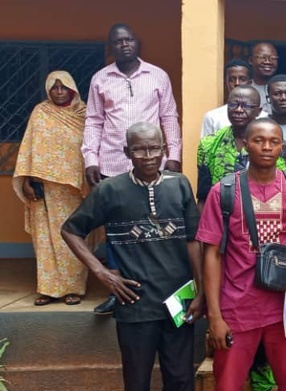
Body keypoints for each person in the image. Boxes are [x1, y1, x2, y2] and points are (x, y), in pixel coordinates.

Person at [61, 122, 203, 391]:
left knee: (181, 379)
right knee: (137, 381)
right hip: (135, 303)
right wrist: (100, 272)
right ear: (126, 152)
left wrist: (201, 290)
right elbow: (70, 230)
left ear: (164, 150)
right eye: (139, 149)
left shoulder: (180, 185)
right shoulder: (109, 190)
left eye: (154, 148)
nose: (148, 156)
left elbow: (193, 240)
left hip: (179, 301)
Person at [197, 118, 286, 391]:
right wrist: (215, 316)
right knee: (227, 383)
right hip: (237, 309)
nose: (266, 147)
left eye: (273, 142)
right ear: (245, 145)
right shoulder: (224, 192)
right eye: (258, 140)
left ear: (282, 147)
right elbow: (212, 255)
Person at [83, 23, 182, 315]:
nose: (124, 45)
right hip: (113, 164)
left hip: (153, 164)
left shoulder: (157, 76)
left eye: (129, 40)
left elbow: (169, 116)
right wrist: (91, 159)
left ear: (138, 43)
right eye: (118, 41)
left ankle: (154, 286)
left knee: (155, 224)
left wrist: (173, 155)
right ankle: (118, 288)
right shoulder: (100, 79)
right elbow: (94, 121)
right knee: (117, 230)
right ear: (110, 47)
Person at [13, 71, 88, 306]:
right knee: (45, 240)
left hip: (73, 189)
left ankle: (73, 289)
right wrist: (26, 181)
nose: (59, 91)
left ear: (72, 89)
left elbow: (91, 147)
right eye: (54, 87)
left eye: (63, 87)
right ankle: (48, 289)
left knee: (72, 236)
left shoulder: (83, 114)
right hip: (42, 188)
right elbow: (28, 148)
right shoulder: (40, 112)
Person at [196, 85, 286, 204]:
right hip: (221, 216)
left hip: (265, 213)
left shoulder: (277, 147)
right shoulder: (208, 144)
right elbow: (203, 196)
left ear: (258, 111)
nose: (238, 110)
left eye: (246, 106)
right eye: (233, 105)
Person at [200, 60, 253, 138]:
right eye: (232, 79)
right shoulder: (212, 117)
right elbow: (205, 148)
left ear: (249, 82)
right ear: (225, 83)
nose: (237, 83)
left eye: (242, 79)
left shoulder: (262, 117)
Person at [249, 42, 278, 113]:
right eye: (262, 57)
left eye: (272, 58)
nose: (267, 62)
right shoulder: (245, 90)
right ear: (251, 60)